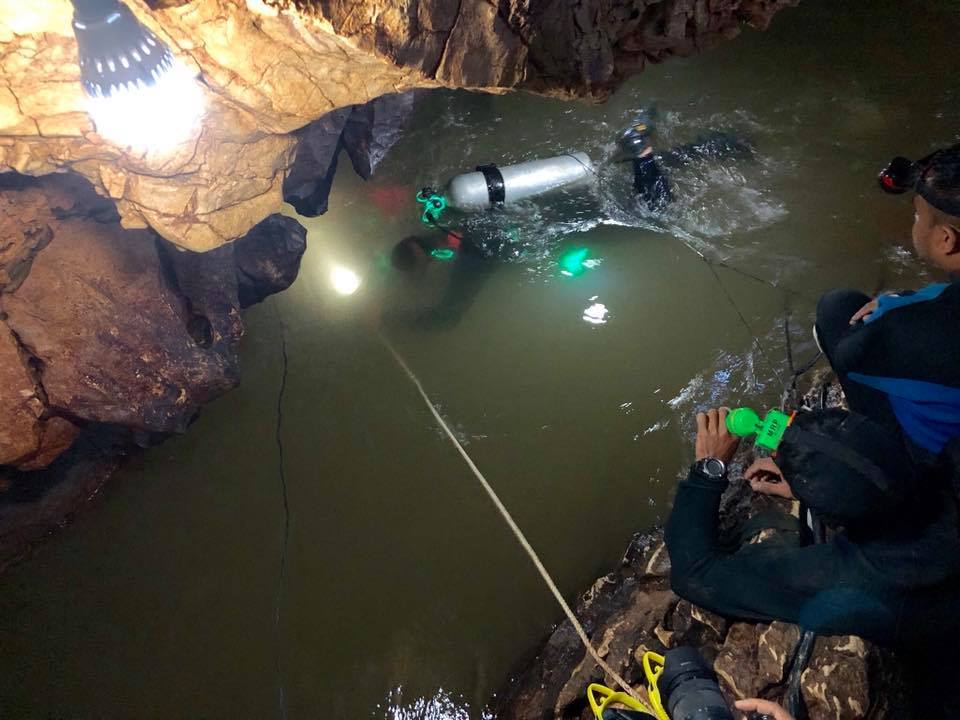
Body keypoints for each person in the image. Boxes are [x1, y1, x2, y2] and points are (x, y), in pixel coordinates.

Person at [665, 407, 960, 715]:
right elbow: (878, 472)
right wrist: (817, 481)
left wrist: (709, 467)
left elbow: (695, 571)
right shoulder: (947, 461)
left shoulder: (867, 580)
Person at [814, 144, 960, 464]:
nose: (915, 222)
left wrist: (891, 308)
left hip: (936, 468)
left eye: (918, 215)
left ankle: (882, 450)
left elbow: (850, 354)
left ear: (946, 239)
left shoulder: (904, 323)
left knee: (837, 308)